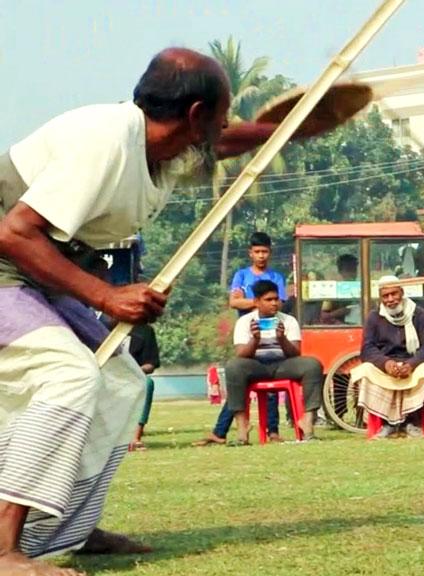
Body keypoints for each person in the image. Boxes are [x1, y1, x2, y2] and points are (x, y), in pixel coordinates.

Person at [0, 46, 311, 572]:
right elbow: (13, 232)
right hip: (11, 260)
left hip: (40, 272)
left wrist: (288, 129)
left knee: (122, 380)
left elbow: (226, 142)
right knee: (67, 374)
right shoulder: (103, 142)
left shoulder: (164, 146)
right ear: (194, 116)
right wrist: (106, 295)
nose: (228, 123)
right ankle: (4, 547)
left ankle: (63, 525)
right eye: (223, 112)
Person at [197, 232, 290, 446]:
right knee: (238, 382)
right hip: (246, 336)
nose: (261, 255)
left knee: (271, 386)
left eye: (264, 251)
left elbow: (279, 305)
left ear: (270, 253)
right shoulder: (241, 275)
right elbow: (233, 303)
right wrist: (261, 303)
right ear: (250, 253)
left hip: (272, 337)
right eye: (257, 251)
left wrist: (250, 301)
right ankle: (221, 431)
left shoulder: (277, 277)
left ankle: (272, 431)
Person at [225, 280, 324, 444]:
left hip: (283, 365)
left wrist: (282, 338)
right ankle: (243, 427)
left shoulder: (288, 320)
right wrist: (255, 340)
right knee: (233, 366)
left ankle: (307, 421)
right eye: (268, 300)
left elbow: (295, 353)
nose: (274, 303)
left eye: (276, 299)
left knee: (312, 364)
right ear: (257, 302)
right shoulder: (245, 322)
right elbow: (241, 354)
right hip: (256, 365)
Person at [351, 277, 424, 438]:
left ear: (402, 293)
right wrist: (386, 363)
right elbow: (367, 349)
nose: (390, 300)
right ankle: (386, 423)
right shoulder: (374, 317)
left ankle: (411, 422)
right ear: (381, 298)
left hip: (412, 363)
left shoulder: (420, 314)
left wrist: (411, 364)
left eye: (394, 294)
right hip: (385, 364)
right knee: (365, 369)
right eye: (385, 296)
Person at [128, 323, 161, 451]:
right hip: (105, 374)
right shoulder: (100, 324)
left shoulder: (145, 330)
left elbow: (150, 364)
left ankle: (135, 438)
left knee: (148, 383)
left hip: (133, 375)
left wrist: (134, 371)